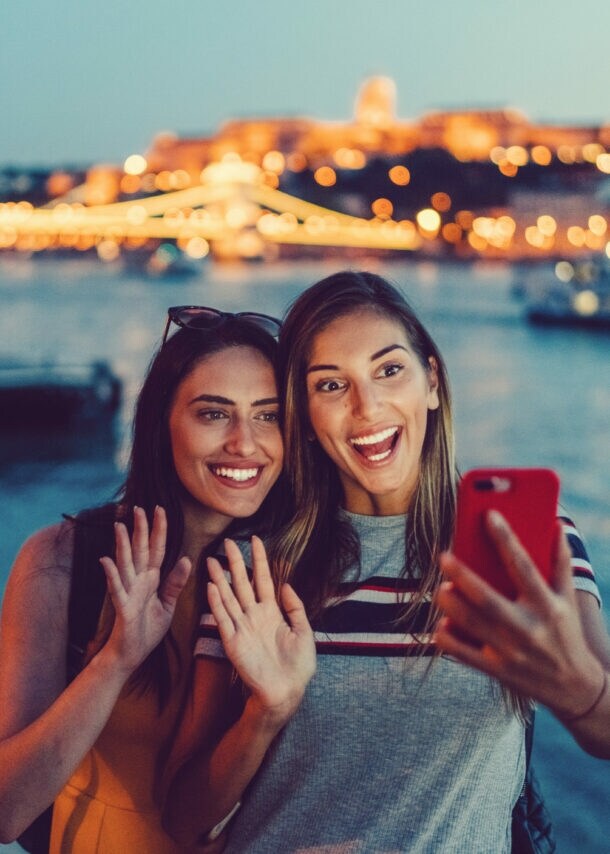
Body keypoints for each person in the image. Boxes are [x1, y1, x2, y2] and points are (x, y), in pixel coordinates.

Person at [162, 272, 608, 853]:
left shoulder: (524, 543)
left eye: (389, 370)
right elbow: (180, 817)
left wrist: (574, 688)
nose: (366, 407)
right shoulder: (255, 569)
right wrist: (265, 713)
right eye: (330, 385)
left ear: (432, 381)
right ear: (306, 416)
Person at [0, 305, 286, 853]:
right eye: (213, 414)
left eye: (269, 416)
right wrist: (114, 662)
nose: (245, 444)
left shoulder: (298, 574)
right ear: (162, 423)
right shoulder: (66, 561)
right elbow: (9, 810)